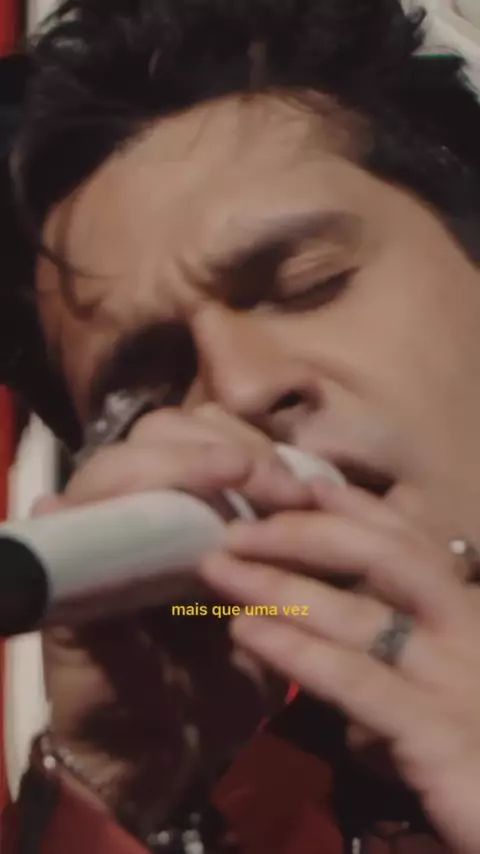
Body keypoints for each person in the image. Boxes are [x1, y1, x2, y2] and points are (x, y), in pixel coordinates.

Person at [3, 0, 480, 851]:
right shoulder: (249, 812)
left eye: (308, 284)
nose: (242, 387)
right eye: (150, 385)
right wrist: (114, 794)